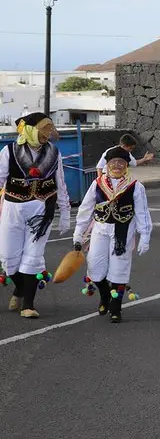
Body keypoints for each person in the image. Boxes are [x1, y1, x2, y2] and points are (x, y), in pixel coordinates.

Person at [0, 112, 71, 318]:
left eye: (50, 129)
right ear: (31, 129)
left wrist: (65, 212)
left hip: (41, 209)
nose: (48, 133)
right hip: (13, 208)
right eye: (45, 128)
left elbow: (60, 183)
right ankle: (19, 289)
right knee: (8, 258)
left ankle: (28, 305)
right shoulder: (9, 151)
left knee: (33, 256)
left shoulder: (53, 153)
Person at [73, 147, 152, 323]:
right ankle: (105, 295)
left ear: (126, 165)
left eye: (121, 162)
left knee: (119, 267)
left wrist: (145, 237)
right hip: (100, 229)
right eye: (113, 162)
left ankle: (116, 307)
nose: (117, 165)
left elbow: (142, 214)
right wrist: (78, 234)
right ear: (107, 165)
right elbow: (86, 209)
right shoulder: (98, 183)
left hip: (123, 231)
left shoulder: (135, 186)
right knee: (94, 265)